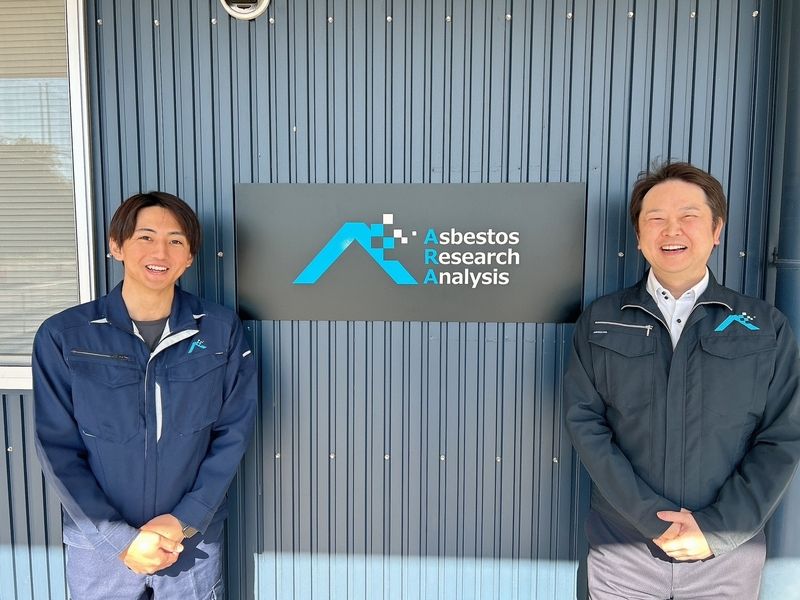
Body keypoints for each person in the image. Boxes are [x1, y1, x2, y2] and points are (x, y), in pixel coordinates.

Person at [565, 162, 800, 599]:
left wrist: (718, 529)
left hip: (727, 554)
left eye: (688, 216)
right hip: (623, 550)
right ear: (639, 236)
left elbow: (782, 437)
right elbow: (586, 426)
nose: (671, 230)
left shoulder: (765, 327)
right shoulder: (601, 321)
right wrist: (650, 517)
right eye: (655, 218)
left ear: (716, 229)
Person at [33, 192, 257, 599]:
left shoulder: (220, 331)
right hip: (98, 547)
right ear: (116, 246)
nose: (160, 252)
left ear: (189, 257)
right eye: (146, 237)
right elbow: (57, 446)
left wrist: (184, 520)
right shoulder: (64, 336)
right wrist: (117, 538)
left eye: (176, 240)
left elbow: (232, 433)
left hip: (189, 543)